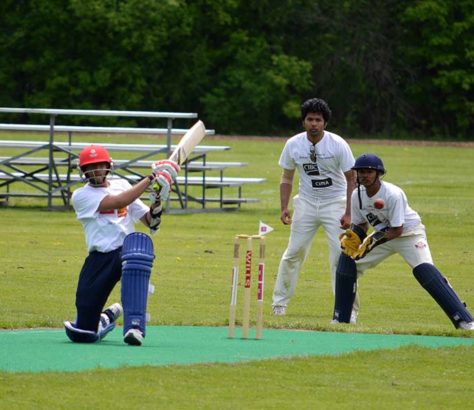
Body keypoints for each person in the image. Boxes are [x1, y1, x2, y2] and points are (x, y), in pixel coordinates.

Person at [332, 153, 474, 330]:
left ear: (378, 174)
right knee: (347, 262)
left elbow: (397, 229)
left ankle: (464, 321)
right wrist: (354, 237)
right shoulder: (356, 195)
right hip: (384, 234)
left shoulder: (393, 194)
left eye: (369, 171)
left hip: (409, 233)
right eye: (361, 171)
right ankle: (342, 320)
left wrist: (371, 242)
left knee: (425, 271)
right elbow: (361, 223)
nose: (364, 175)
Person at [63, 144, 180, 345]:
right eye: (90, 167)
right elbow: (118, 202)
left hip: (127, 252)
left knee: (137, 253)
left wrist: (158, 199)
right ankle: (106, 317)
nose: (96, 171)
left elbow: (149, 220)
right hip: (99, 258)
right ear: (83, 171)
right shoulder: (81, 196)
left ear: (108, 166)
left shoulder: (123, 185)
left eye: (100, 166)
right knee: (83, 333)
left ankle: (134, 327)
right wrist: (152, 178)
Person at [272, 97, 356, 318]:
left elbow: (351, 178)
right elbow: (287, 177)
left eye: (318, 120)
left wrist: (349, 211)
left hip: (335, 203)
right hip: (307, 203)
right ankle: (279, 304)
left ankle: (347, 311)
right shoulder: (293, 144)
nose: (314, 124)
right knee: (293, 253)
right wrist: (284, 207)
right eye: (310, 119)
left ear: (325, 123)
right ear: (303, 122)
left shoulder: (338, 144)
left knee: (340, 257)